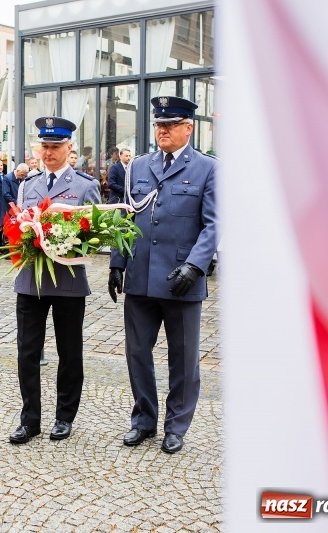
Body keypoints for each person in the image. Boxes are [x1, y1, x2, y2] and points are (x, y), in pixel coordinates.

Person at [108, 96, 217, 453]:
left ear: (189, 128)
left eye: (170, 125)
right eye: (159, 125)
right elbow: (125, 217)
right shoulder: (138, 166)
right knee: (137, 352)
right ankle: (143, 419)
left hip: (182, 277)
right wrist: (117, 263)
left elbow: (213, 224)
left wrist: (196, 265)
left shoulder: (207, 168)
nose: (163, 131)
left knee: (183, 357)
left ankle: (176, 425)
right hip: (140, 275)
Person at [9, 117, 101, 445]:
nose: (49, 153)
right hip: (31, 279)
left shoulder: (85, 185)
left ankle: (64, 416)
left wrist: (67, 237)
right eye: (44, 147)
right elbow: (19, 224)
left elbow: (96, 234)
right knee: (27, 352)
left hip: (68, 279)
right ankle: (29, 419)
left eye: (55, 147)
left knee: (69, 352)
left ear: (68, 148)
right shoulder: (27, 185)